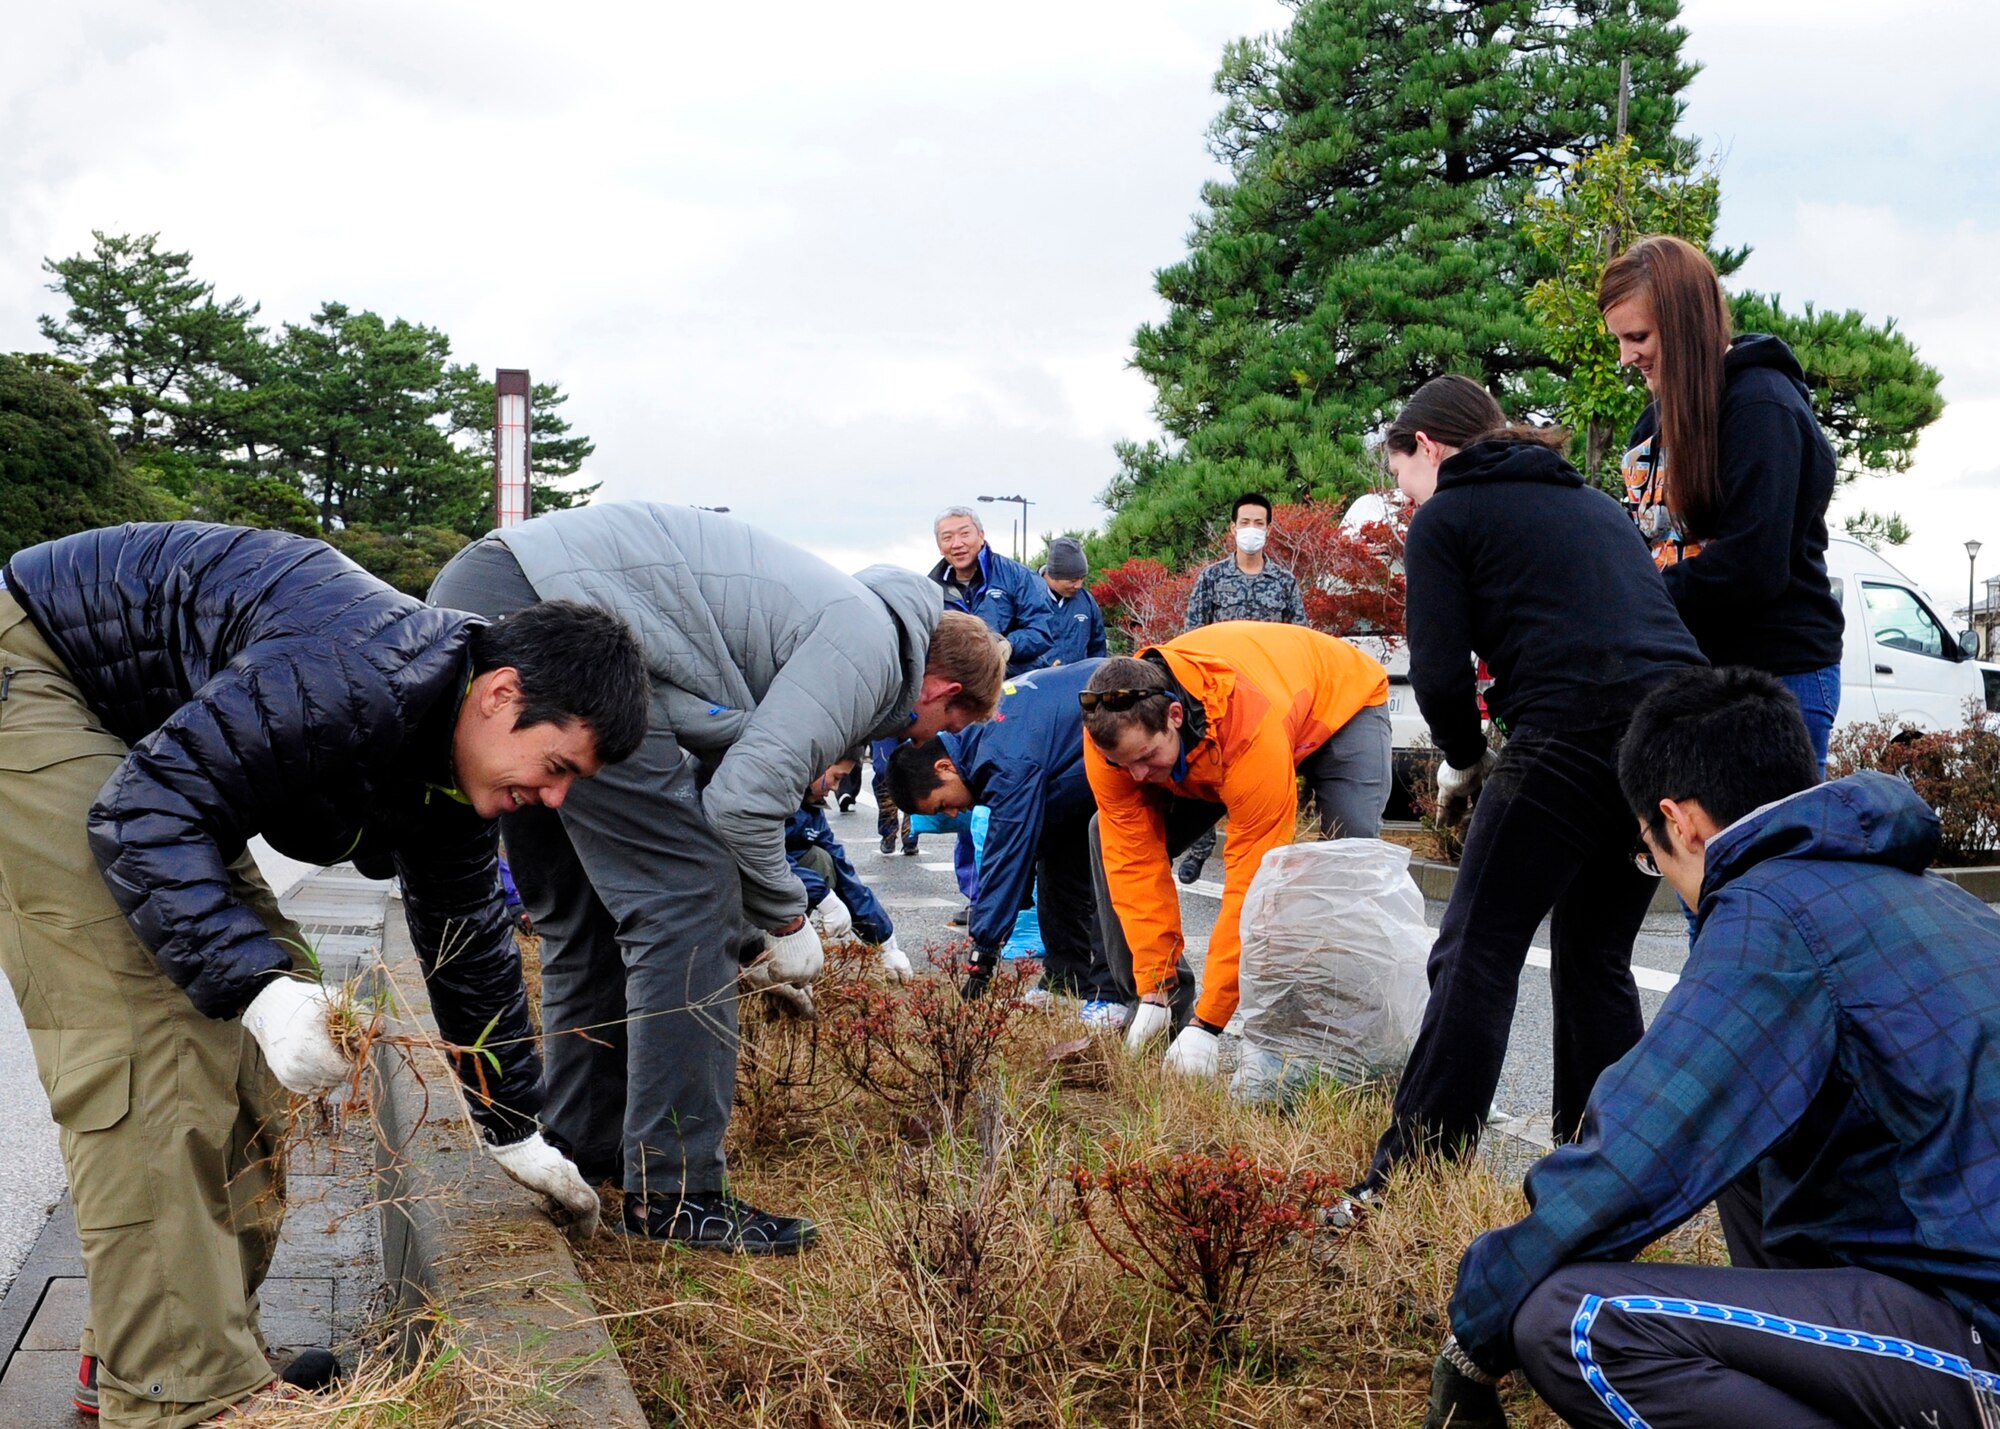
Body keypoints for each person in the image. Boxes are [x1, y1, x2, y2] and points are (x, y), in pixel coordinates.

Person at [0, 522, 647, 1428]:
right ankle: (180, 1391)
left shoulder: (451, 768)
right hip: (35, 671)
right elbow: (144, 813)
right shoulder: (359, 671)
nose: (555, 798)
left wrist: (514, 1129)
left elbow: (471, 953)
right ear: (502, 694)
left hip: (145, 751)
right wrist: (256, 992)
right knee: (160, 1038)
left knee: (284, 1022)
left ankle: (171, 1342)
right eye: (556, 767)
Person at [1421, 666, 2000, 1429]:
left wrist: (1474, 1328)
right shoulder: (1935, 895)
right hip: (1951, 1277)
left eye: (1647, 850)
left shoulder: (1772, 908)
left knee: (1575, 1324)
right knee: (1753, 1138)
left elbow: (1638, 1147)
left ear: (1680, 821)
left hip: (1977, 1338)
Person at [430, 504, 1006, 1254]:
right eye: (946, 725)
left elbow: (693, 734)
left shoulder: (823, 612)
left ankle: (581, 1145)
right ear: (942, 689)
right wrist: (788, 918)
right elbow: (737, 805)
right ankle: (676, 1191)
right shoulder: (869, 648)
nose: (925, 739)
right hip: (550, 610)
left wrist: (755, 922)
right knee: (686, 898)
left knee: (588, 910)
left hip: (496, 589)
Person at [1359, 375, 1707, 1193]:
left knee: (1478, 947)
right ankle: (1608, 1176)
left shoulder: (1448, 515)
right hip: (1678, 733)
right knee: (1595, 956)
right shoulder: (1589, 503)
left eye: (1401, 474)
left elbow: (1440, 679)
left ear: (1431, 448)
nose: (1404, 499)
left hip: (1570, 726)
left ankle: (1412, 1174)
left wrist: (1461, 757)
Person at [1082, 623, 1391, 1076]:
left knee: (1349, 861)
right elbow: (1133, 860)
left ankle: (1348, 1047)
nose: (1138, 776)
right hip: (1211, 748)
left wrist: (1213, 1022)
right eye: (1123, 764)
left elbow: (1251, 879)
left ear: (1172, 716)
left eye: (1146, 757)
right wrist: (1154, 984)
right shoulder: (1109, 736)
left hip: (1339, 705)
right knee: (1101, 831)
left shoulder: (1248, 724)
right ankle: (1162, 1009)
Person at [1601, 234, 1845, 770]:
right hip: (1693, 672)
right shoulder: (1658, 419)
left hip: (1777, 676)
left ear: (1684, 321)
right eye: (1619, 340)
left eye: (1637, 336)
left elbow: (1752, 565)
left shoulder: (1762, 405)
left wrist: (1635, 597)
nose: (1626, 357)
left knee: (1764, 850)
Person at [885, 660, 1126, 1027]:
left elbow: (1007, 852)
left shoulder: (1003, 756)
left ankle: (1113, 995)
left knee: (1115, 872)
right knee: (1056, 855)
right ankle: (1066, 979)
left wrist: (983, 951)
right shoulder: (982, 738)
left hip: (1131, 742)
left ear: (944, 768)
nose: (951, 814)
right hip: (1084, 770)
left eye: (943, 805)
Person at [1175, 492, 1309, 884]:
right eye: (1245, 523)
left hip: (1268, 697)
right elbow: (1192, 636)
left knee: (1258, 778)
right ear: (1232, 529)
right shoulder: (1212, 579)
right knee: (1208, 772)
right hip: (1219, 694)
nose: (1252, 530)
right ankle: (1199, 849)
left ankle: (1258, 863)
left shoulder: (1284, 583)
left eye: (1259, 523)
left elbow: (1300, 639)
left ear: (1269, 529)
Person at [787, 756, 911, 980]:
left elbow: (842, 870)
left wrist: (884, 940)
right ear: (815, 766)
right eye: (835, 778)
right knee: (816, 863)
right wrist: (823, 895)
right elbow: (767, 859)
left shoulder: (810, 809)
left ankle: (789, 935)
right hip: (733, 885)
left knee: (823, 861)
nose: (835, 788)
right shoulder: (776, 797)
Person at [931, 505, 1060, 677]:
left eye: (964, 534)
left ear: (981, 536)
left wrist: (1008, 645)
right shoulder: (930, 590)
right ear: (940, 545)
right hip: (961, 688)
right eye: (947, 537)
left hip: (1016, 683)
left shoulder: (1017, 576)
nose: (957, 544)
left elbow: (1041, 630)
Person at [1040, 537, 1107, 667]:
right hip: (1036, 681)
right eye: (1072, 580)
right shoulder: (1027, 597)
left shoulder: (1086, 601)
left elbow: (1098, 646)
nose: (1078, 585)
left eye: (1082, 579)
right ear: (1053, 575)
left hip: (1077, 682)